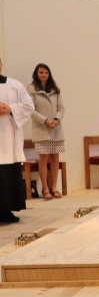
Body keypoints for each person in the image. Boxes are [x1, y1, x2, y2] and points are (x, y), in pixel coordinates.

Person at [0, 57, 34, 223]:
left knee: (8, 177)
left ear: (1, 65)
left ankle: (7, 211)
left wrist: (10, 108)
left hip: (9, 140)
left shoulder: (15, 85)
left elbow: (29, 106)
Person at [27, 63, 65, 200]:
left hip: (56, 128)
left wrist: (56, 120)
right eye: (41, 72)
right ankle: (45, 188)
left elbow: (61, 108)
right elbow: (30, 110)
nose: (44, 75)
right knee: (43, 159)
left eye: (46, 73)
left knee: (55, 158)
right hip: (41, 129)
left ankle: (54, 187)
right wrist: (45, 121)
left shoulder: (55, 89)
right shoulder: (31, 89)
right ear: (36, 74)